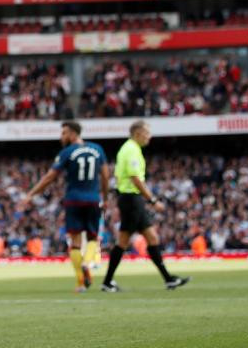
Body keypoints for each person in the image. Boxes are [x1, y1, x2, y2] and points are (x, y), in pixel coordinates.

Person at [101, 121, 190, 292]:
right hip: (131, 199)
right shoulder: (132, 150)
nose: (149, 136)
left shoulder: (129, 148)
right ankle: (107, 282)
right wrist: (153, 200)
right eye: (147, 133)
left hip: (131, 199)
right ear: (137, 133)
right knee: (123, 242)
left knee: (152, 238)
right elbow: (136, 179)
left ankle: (169, 279)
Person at [24, 120, 108, 292]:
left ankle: (80, 284)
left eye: (63, 133)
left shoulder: (67, 152)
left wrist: (31, 194)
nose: (61, 137)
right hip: (93, 199)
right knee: (93, 238)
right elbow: (105, 175)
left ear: (72, 134)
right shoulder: (97, 149)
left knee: (75, 242)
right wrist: (104, 197)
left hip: (73, 200)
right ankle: (87, 262)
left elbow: (50, 177)